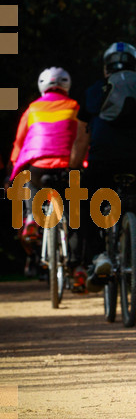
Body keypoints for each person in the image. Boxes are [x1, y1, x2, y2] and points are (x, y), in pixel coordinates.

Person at [69, 42, 136, 291]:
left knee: (83, 199)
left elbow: (81, 139)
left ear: (106, 67)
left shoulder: (93, 91)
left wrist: (73, 168)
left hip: (104, 161)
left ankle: (99, 256)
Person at [4, 67, 80, 279]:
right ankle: (76, 265)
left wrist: (11, 174)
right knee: (74, 215)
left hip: (38, 167)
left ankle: (30, 219)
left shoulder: (32, 110)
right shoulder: (75, 107)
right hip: (67, 167)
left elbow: (18, 146)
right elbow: (82, 139)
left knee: (30, 182)